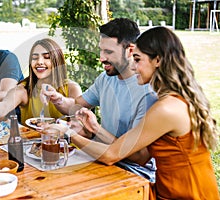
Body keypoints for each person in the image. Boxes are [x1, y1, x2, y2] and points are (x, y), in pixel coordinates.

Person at [64, 26, 219, 199]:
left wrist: (68, 134)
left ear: (157, 60)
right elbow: (133, 152)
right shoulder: (171, 101)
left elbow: (111, 155)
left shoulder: (166, 108)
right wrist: (95, 128)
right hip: (167, 189)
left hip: (189, 194)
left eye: (137, 60)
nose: (134, 67)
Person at [41, 18, 157, 182]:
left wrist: (77, 132)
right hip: (103, 158)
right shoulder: (106, 79)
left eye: (108, 52)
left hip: (136, 173)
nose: (101, 58)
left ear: (130, 50)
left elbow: (138, 157)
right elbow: (75, 106)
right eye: (101, 51)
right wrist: (57, 98)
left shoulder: (148, 92)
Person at [0, 38, 82, 124]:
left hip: (67, 150)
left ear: (57, 61)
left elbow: (78, 119)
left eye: (46, 57)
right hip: (32, 149)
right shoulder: (24, 89)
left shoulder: (72, 88)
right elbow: (5, 105)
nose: (39, 62)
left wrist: (58, 101)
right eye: (34, 58)